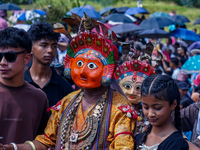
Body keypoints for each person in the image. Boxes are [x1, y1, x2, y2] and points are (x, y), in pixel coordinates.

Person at [1, 13, 136, 150]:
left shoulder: (120, 110)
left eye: (91, 65)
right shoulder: (66, 103)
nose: (82, 71)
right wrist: (13, 148)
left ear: (107, 70)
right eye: (78, 64)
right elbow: (46, 140)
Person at [0, 27, 49, 144]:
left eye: (10, 57)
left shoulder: (38, 98)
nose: (2, 62)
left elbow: (45, 141)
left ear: (27, 58)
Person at [24, 21, 74, 107]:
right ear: (31, 48)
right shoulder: (20, 82)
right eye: (44, 45)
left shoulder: (64, 87)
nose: (50, 50)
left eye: (54, 46)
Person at [135, 75, 190, 150]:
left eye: (157, 108)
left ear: (173, 104)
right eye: (146, 107)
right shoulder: (139, 138)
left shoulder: (177, 144)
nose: (150, 114)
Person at [114, 59, 156, 135]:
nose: (132, 92)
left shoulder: (149, 113)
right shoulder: (112, 110)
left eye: (138, 88)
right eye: (127, 86)